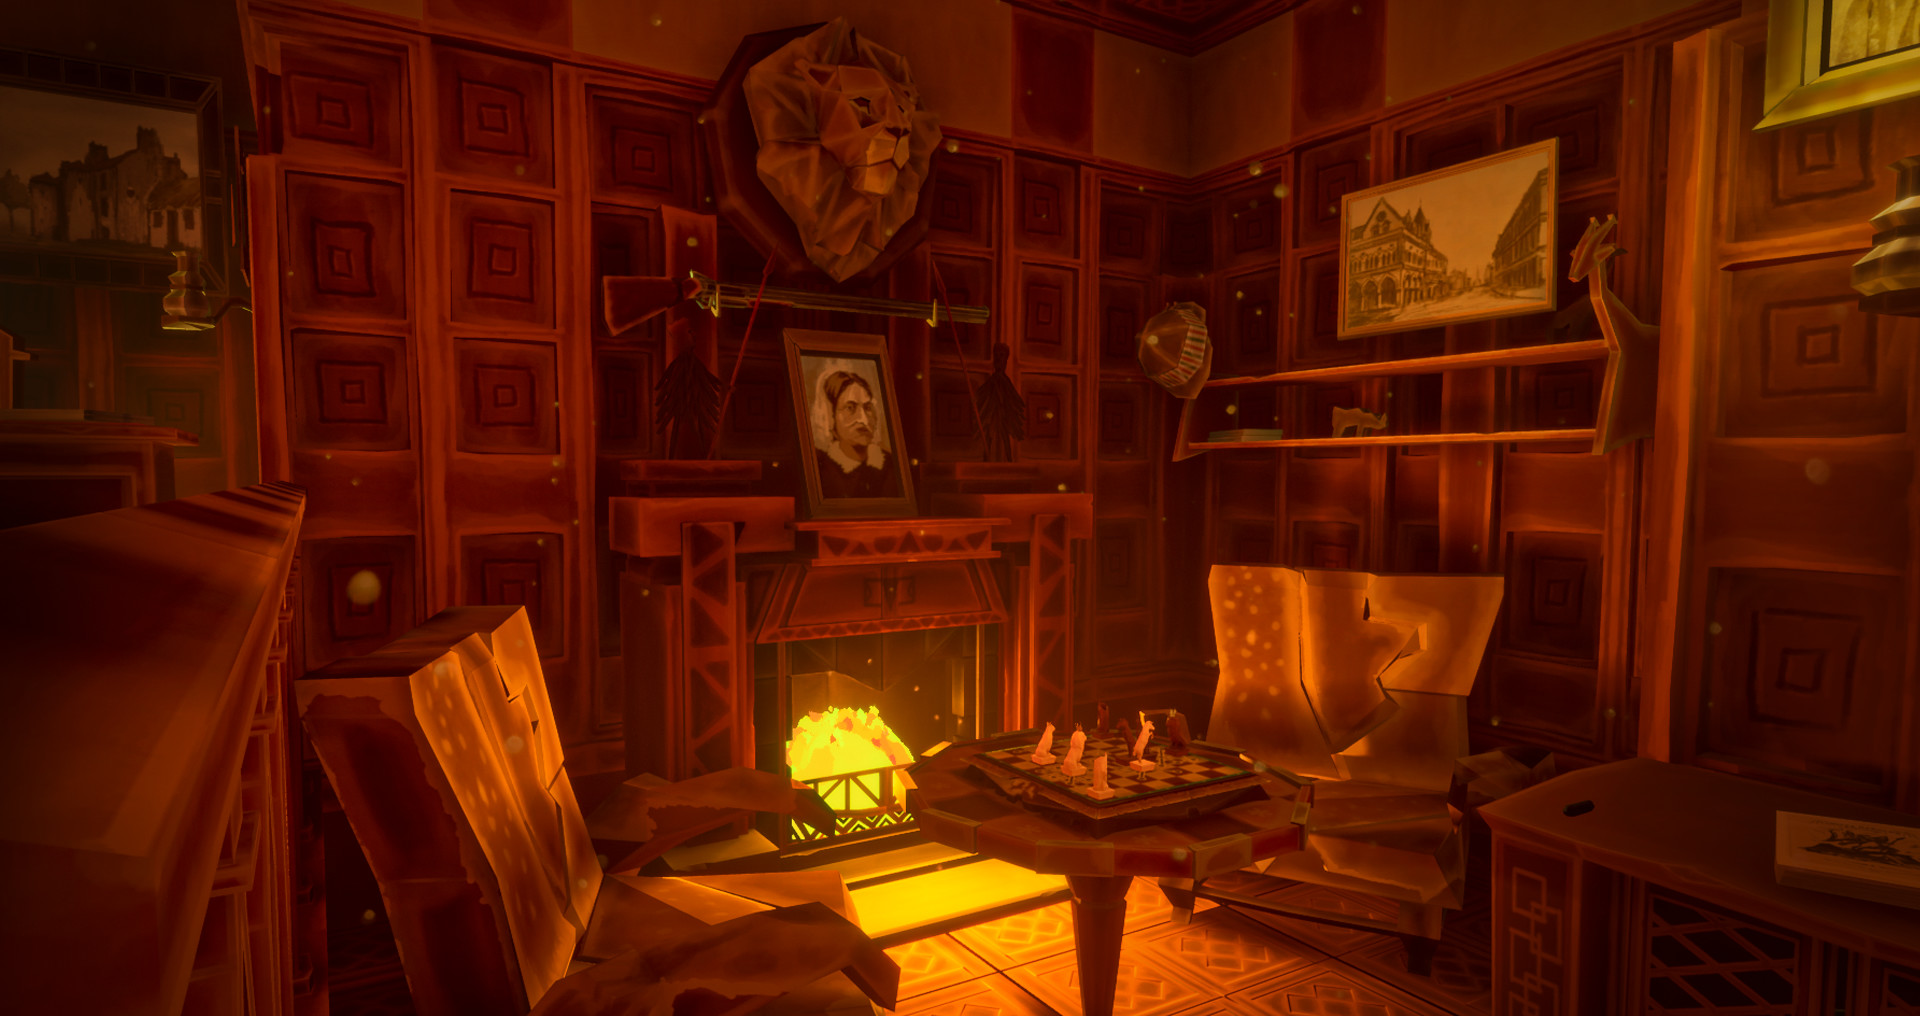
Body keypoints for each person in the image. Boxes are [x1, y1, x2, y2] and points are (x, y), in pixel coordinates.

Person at [814, 369, 899, 499]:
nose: (864, 420)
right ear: (831, 415)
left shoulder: (891, 466)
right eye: (850, 408)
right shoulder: (820, 471)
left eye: (868, 408)